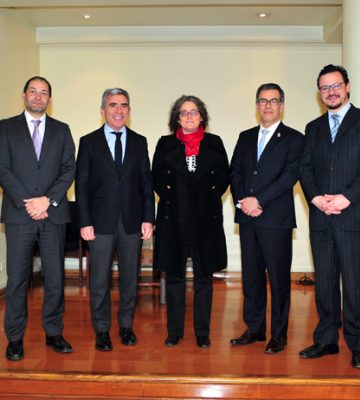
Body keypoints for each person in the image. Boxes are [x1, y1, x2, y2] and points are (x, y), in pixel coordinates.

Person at [299, 64, 360, 369]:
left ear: (347, 87)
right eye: (324, 88)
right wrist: (316, 198)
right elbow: (305, 169)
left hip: (355, 217)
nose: (331, 92)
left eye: (336, 85)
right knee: (323, 284)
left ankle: (359, 345)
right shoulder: (313, 128)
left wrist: (346, 197)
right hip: (322, 218)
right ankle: (325, 340)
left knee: (355, 284)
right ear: (319, 93)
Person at [0, 76, 76, 361]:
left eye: (44, 93)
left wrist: (48, 199)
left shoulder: (61, 130)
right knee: (18, 280)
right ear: (24, 95)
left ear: (49, 99)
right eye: (33, 91)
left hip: (53, 215)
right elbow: (2, 168)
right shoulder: (5, 128)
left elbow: (69, 168)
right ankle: (15, 338)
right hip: (20, 216)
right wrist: (29, 203)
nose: (38, 96)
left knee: (55, 278)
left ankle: (54, 332)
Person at [75, 88, 154, 351]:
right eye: (113, 105)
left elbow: (146, 183)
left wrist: (148, 218)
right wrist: (84, 221)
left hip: (132, 222)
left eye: (123, 105)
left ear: (129, 111)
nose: (118, 110)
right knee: (99, 280)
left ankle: (126, 326)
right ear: (102, 111)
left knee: (131, 278)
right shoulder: (88, 142)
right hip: (99, 223)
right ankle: (101, 330)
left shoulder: (140, 142)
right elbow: (82, 185)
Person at [230, 83, 304, 354]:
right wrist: (244, 202)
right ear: (257, 105)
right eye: (263, 101)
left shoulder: (295, 139)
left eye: (273, 101)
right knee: (251, 278)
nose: (268, 105)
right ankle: (255, 329)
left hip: (275, 219)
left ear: (282, 106)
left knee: (279, 279)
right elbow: (234, 172)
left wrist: (259, 200)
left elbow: (289, 176)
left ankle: (279, 335)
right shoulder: (245, 136)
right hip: (248, 218)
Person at [152, 95, 229, 349]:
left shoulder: (214, 143)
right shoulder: (165, 144)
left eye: (193, 112)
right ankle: (174, 332)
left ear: (201, 117)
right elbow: (156, 180)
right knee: (174, 278)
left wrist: (204, 200)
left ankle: (202, 333)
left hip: (205, 222)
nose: (188, 116)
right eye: (183, 112)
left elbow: (224, 179)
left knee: (203, 279)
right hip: (173, 221)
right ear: (177, 117)